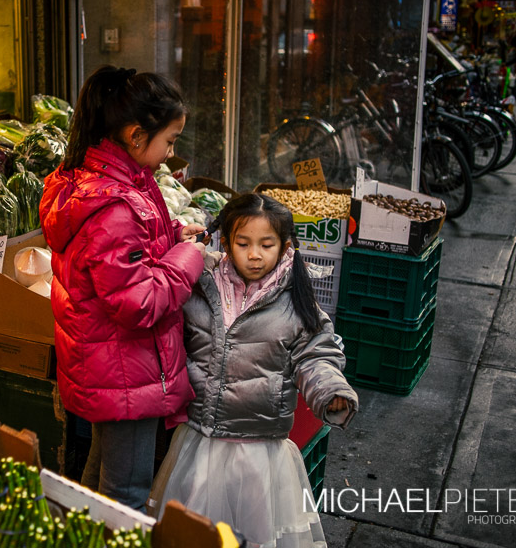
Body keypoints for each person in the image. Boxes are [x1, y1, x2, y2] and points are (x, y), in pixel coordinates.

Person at [149, 193, 359, 547]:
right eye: (243, 243)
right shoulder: (202, 283)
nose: (255, 254)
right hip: (200, 441)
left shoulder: (295, 302)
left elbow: (316, 355)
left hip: (260, 452)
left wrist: (330, 393)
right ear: (227, 242)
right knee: (193, 535)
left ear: (285, 245)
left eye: (266, 244)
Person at [39, 65, 205, 510]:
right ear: (135, 136)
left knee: (99, 474)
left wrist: (173, 238)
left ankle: (82, 538)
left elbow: (132, 252)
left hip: (106, 365)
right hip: (125, 370)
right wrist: (191, 258)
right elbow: (140, 303)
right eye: (169, 141)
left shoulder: (102, 183)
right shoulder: (113, 204)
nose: (172, 153)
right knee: (125, 492)